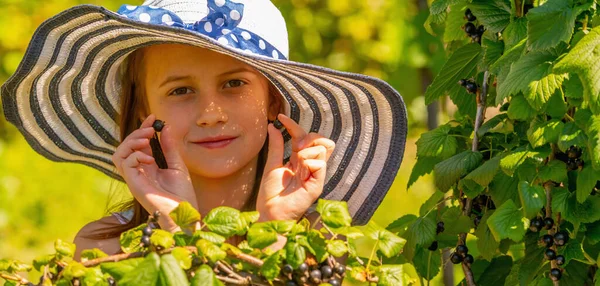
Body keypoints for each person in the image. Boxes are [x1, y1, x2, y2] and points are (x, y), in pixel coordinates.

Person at [0, 0, 408, 260]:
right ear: (144, 110)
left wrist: (274, 230)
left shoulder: (318, 246)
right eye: (180, 90)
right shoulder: (103, 247)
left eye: (234, 83)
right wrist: (178, 224)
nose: (211, 114)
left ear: (274, 101)